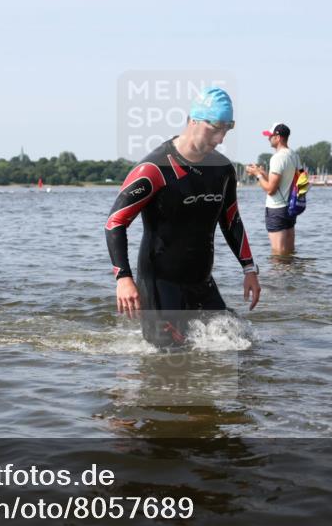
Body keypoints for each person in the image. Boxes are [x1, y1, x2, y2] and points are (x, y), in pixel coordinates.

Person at [105, 87, 260, 346]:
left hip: (201, 281)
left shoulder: (222, 170)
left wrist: (249, 269)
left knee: (242, 346)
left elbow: (231, 220)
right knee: (170, 356)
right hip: (160, 282)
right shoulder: (154, 169)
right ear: (193, 121)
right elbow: (115, 222)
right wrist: (123, 278)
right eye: (215, 128)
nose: (220, 138)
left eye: (227, 129)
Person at [246, 123, 300, 255]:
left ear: (278, 137)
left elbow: (271, 189)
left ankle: (277, 276)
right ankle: (291, 276)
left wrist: (257, 175)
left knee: (278, 254)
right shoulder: (294, 155)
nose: (268, 139)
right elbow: (287, 181)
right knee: (289, 252)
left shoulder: (277, 158)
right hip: (291, 208)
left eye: (270, 136)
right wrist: (262, 172)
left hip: (276, 210)